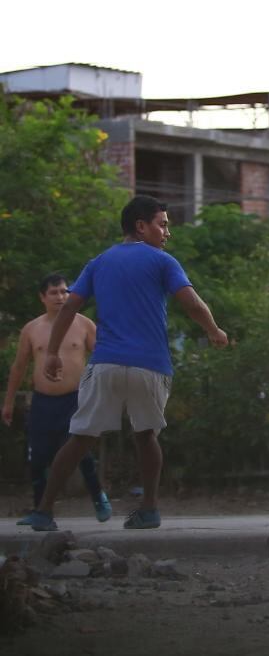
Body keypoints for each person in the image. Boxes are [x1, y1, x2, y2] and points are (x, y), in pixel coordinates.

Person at [25, 195, 228, 532]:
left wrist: (52, 351)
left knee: (80, 437)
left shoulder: (99, 262)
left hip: (105, 364)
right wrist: (214, 330)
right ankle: (148, 509)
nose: (167, 233)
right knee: (146, 436)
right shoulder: (163, 261)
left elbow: (70, 308)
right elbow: (191, 303)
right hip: (150, 365)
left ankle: (44, 511)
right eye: (162, 224)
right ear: (140, 226)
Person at [3, 274, 111, 525]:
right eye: (54, 292)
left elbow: (103, 357)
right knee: (38, 457)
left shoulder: (84, 324)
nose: (61, 297)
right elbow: (19, 367)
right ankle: (42, 511)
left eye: (65, 292)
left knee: (78, 452)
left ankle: (98, 496)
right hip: (43, 400)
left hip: (76, 398)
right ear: (42, 297)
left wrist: (104, 392)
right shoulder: (32, 329)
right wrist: (8, 402)